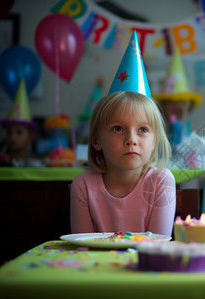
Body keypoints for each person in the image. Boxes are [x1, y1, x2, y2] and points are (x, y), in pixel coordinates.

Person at [70, 31, 176, 236]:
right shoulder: (83, 185)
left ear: (155, 141)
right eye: (118, 129)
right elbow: (82, 247)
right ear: (96, 140)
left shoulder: (161, 181)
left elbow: (156, 245)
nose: (131, 140)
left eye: (143, 130)